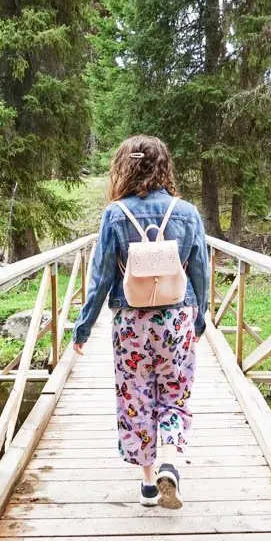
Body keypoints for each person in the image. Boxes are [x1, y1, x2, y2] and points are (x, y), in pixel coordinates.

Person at [73, 135, 209, 509]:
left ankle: (149, 484)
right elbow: (200, 270)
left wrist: (83, 327)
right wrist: (201, 320)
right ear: (163, 165)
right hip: (176, 319)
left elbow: (101, 278)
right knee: (174, 394)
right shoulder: (187, 212)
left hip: (131, 322)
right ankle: (170, 459)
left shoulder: (115, 215)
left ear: (125, 167)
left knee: (135, 398)